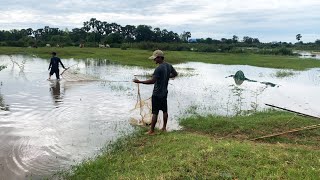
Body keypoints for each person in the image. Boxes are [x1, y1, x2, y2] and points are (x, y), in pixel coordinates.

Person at [133, 50, 178, 135]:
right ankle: (164, 128)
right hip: (164, 93)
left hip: (157, 94)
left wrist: (139, 82)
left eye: (155, 58)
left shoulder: (158, 68)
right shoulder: (168, 65)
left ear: (160, 58)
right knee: (165, 111)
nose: (154, 60)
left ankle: (151, 131)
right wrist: (166, 76)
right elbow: (175, 74)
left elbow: (152, 81)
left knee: (155, 112)